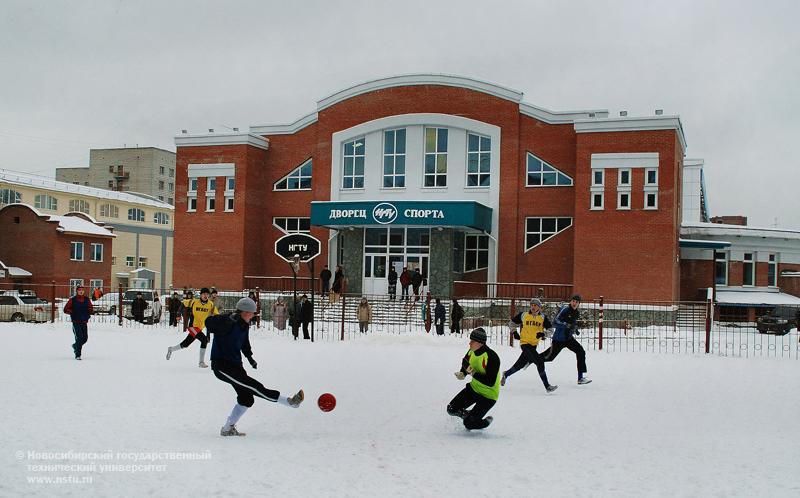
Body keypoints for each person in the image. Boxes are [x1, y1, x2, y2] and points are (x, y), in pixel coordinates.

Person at [206, 297, 304, 437]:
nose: (253, 315)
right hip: (222, 366)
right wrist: (223, 318)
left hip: (236, 366)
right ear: (245, 312)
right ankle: (290, 402)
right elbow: (208, 323)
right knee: (255, 386)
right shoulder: (227, 322)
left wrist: (250, 358)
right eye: (252, 312)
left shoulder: (244, 325)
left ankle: (227, 429)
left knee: (246, 398)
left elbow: (244, 343)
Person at [447, 328, 500, 430]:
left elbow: (490, 382)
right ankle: (470, 416)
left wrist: (473, 373)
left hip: (488, 396)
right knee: (451, 409)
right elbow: (465, 362)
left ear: (480, 343)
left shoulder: (492, 357)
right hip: (474, 389)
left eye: (472, 341)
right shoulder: (471, 351)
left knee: (468, 424)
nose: (469, 343)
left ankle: (483, 421)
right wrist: (463, 373)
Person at [501, 298, 557, 392]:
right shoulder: (524, 315)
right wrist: (514, 332)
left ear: (539, 307)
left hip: (533, 344)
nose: (533, 307)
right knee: (539, 362)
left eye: (535, 305)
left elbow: (551, 330)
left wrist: (543, 334)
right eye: (532, 305)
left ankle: (506, 374)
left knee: (520, 365)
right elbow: (511, 323)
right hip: (524, 343)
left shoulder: (542, 317)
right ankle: (547, 386)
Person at [542, 295, 591, 385]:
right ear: (570, 301)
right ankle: (532, 359)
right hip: (559, 339)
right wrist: (566, 325)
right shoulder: (565, 310)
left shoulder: (576, 313)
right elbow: (555, 321)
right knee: (549, 357)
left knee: (580, 352)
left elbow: (572, 323)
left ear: (579, 304)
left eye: (577, 302)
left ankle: (580, 378)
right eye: (573, 301)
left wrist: (575, 329)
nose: (574, 303)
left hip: (568, 338)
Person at [166, 287, 219, 368]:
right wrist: (178, 314)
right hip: (192, 326)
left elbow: (217, 314)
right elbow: (183, 304)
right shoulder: (194, 301)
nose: (206, 296)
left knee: (186, 344)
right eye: (204, 294)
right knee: (204, 340)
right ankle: (201, 362)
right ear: (200, 295)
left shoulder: (210, 304)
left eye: (207, 294)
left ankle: (171, 349)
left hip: (199, 328)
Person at [64, 285, 93, 360]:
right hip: (76, 321)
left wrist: (89, 311)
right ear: (77, 291)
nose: (81, 291)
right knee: (79, 338)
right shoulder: (72, 300)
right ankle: (78, 355)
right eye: (79, 290)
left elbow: (90, 308)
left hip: (84, 321)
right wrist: (72, 312)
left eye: (82, 290)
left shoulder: (87, 299)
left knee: (85, 339)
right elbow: (65, 309)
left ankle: (75, 346)